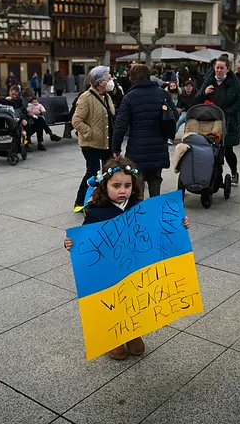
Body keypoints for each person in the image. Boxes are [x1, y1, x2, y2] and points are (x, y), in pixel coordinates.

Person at [63, 156, 190, 359]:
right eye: (116, 185)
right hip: (108, 270)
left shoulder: (138, 208)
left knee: (134, 300)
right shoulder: (97, 210)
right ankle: (112, 338)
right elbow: (86, 238)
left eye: (127, 185)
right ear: (105, 186)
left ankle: (133, 333)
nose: (123, 190)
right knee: (112, 302)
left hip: (134, 266)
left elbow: (157, 228)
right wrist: (71, 243)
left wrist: (178, 224)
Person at [112, 64, 178, 198]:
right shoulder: (162, 94)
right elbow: (174, 116)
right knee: (155, 181)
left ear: (133, 78)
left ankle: (140, 213)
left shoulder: (129, 97)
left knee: (137, 184)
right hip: (158, 147)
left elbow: (120, 126)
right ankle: (154, 212)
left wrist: (116, 148)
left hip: (137, 149)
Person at [196, 56, 240, 186]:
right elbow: (197, 99)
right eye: (217, 67)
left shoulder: (234, 82)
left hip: (228, 122)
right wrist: (204, 93)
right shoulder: (210, 80)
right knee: (211, 150)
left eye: (221, 68)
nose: (218, 70)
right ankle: (213, 175)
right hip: (210, 122)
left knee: (227, 150)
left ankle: (234, 172)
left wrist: (226, 113)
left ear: (227, 69)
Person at [72, 66, 116, 211]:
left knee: (108, 173)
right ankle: (79, 203)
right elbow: (76, 120)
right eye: (108, 78)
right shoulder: (86, 98)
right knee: (92, 173)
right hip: (91, 144)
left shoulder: (107, 96)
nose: (111, 81)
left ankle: (103, 200)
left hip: (106, 143)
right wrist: (90, 133)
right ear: (100, 81)